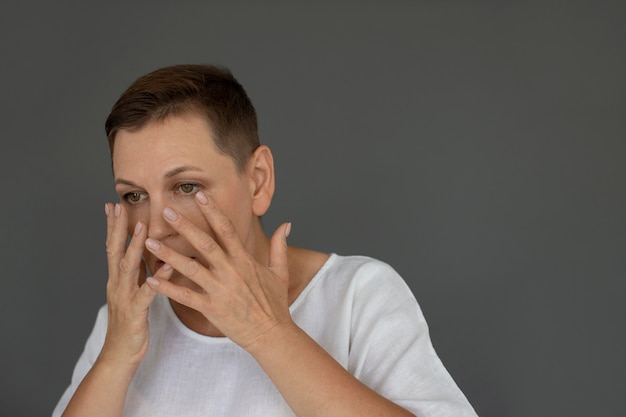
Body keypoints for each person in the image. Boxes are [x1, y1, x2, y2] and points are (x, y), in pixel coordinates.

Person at [52, 64, 478, 417]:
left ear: (257, 181)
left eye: (185, 186)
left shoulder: (357, 295)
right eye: (134, 196)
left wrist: (268, 333)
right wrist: (113, 360)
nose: (157, 226)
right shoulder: (124, 322)